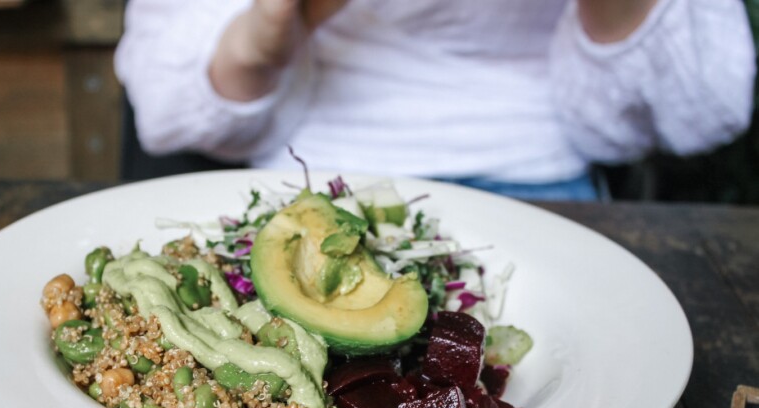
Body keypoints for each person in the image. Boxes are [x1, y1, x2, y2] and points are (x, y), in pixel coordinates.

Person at [115, 0, 756, 200]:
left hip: (540, 176)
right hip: (311, 170)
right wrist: (275, 23)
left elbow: (699, 110)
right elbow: (169, 110)